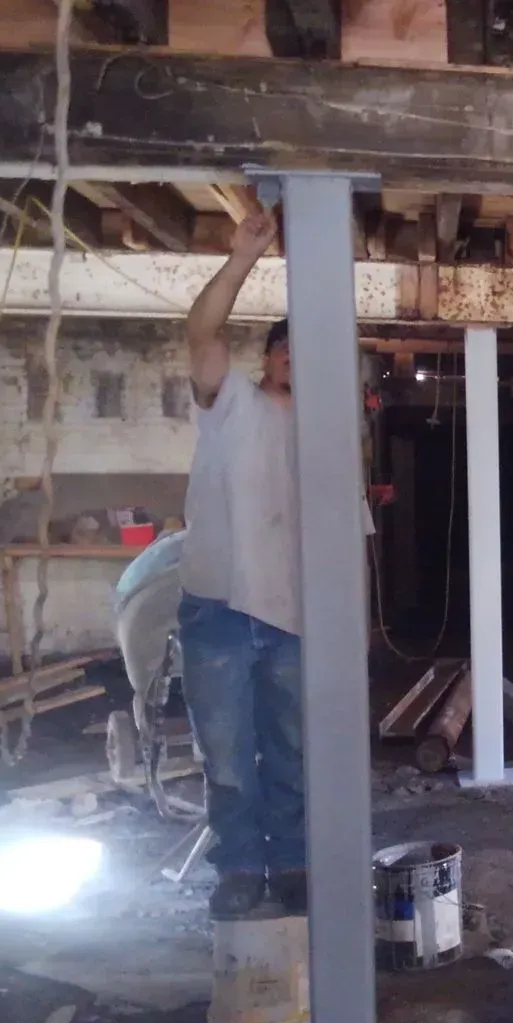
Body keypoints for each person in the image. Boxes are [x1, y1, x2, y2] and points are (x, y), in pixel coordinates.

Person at [178, 208, 308, 918]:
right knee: (227, 759)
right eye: (287, 350)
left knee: (293, 755)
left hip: (297, 616)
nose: (297, 360)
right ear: (269, 360)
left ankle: (289, 861)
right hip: (221, 607)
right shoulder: (233, 404)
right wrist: (242, 260)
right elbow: (202, 334)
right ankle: (238, 866)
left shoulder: (334, 436)